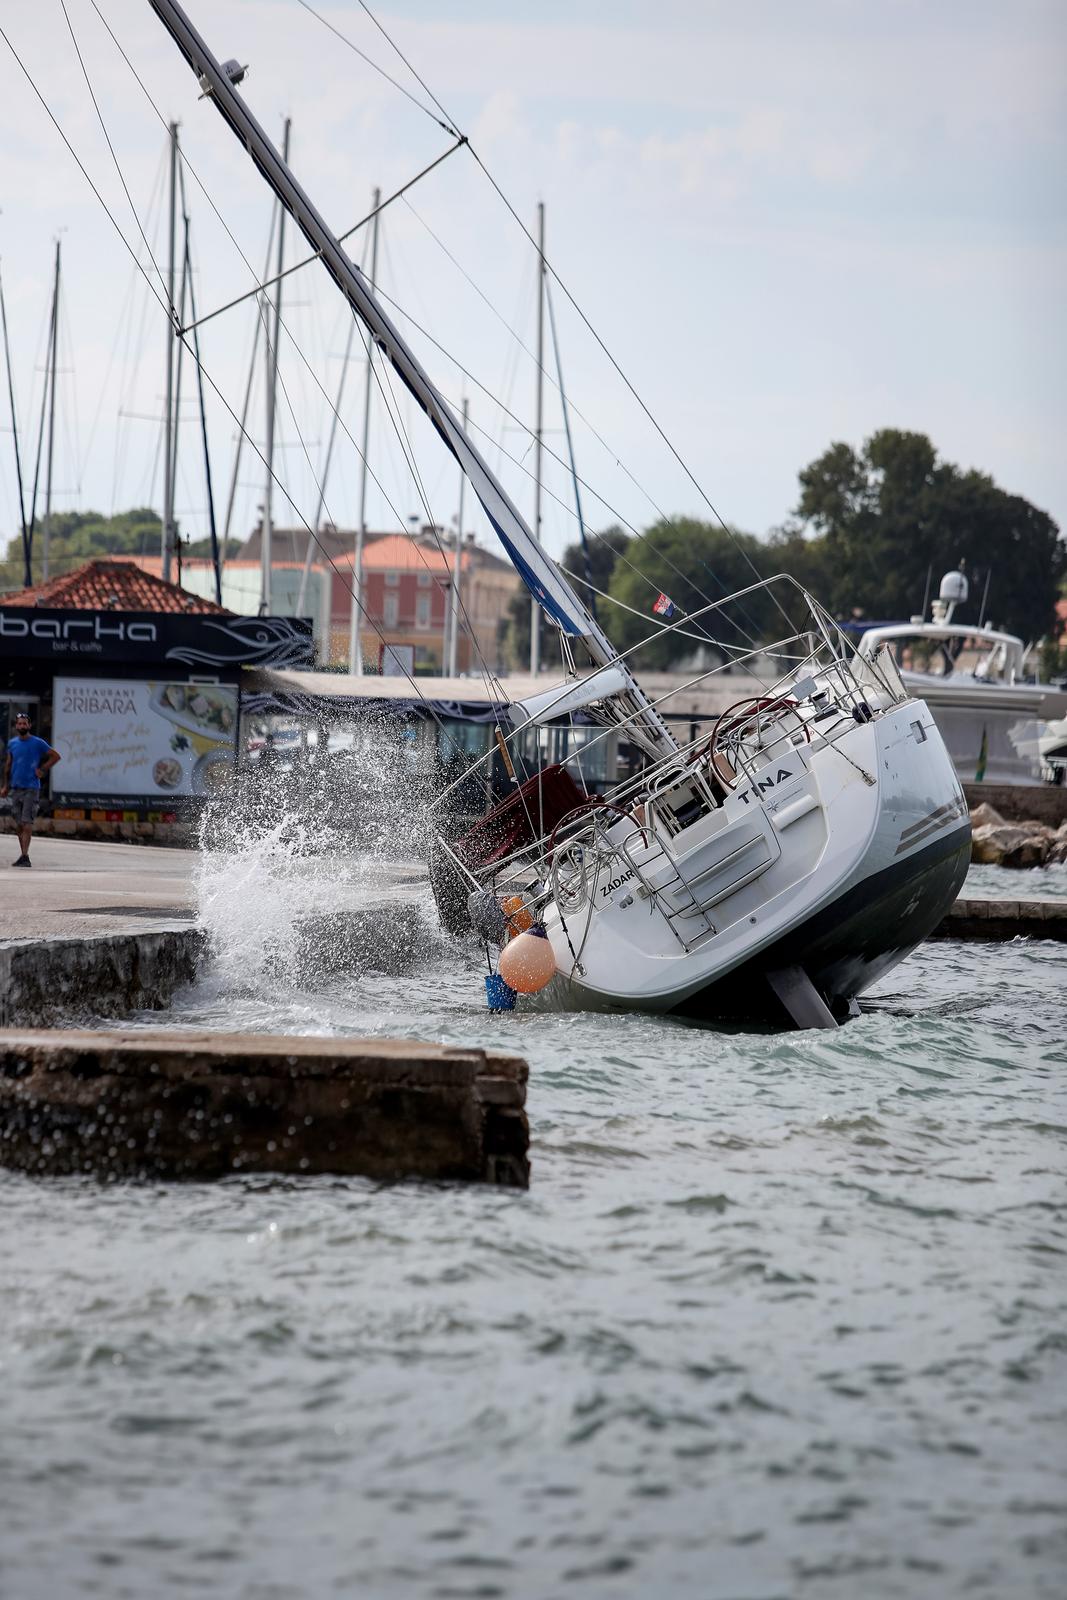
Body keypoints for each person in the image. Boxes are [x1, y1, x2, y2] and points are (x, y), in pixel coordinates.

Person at [1, 712, 61, 868]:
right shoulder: (12, 743)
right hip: (16, 788)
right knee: (19, 823)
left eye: (24, 723)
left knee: (27, 821)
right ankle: (23, 855)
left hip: (31, 788)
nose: (22, 726)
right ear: (16, 726)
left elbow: (55, 756)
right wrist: (5, 785)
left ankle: (25, 855)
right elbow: (8, 764)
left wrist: (42, 769)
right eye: (19, 723)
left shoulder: (37, 743)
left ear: (29, 725)